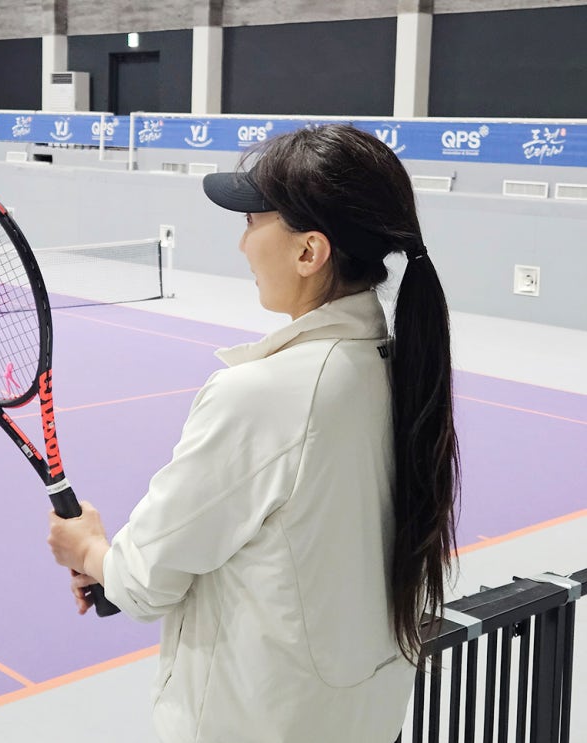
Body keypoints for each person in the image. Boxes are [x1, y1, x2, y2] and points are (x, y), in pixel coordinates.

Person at [47, 123, 460, 743]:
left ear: (309, 252)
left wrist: (86, 550)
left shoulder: (263, 395)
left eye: (252, 221)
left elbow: (141, 582)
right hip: (364, 720)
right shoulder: (397, 368)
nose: (242, 244)